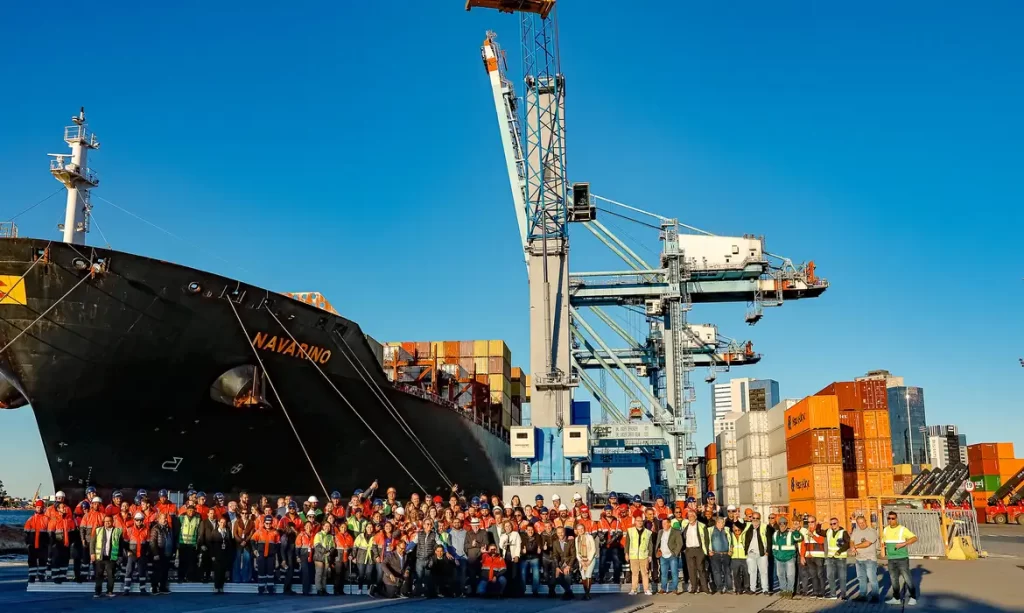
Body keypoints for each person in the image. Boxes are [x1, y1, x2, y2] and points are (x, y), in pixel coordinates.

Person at [881, 511, 919, 606]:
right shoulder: (885, 530)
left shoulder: (902, 529)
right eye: (889, 518)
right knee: (894, 579)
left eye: (893, 518)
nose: (890, 520)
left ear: (896, 519)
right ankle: (896, 598)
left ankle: (913, 597)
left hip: (902, 559)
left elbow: (914, 538)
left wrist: (904, 543)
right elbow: (884, 542)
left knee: (907, 578)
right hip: (891, 559)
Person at [850, 513, 880, 603]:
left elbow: (867, 543)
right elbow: (851, 540)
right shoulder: (856, 531)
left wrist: (855, 547)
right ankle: (862, 595)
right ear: (857, 523)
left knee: (872, 578)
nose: (862, 524)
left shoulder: (872, 531)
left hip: (869, 559)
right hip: (859, 559)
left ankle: (875, 596)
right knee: (861, 578)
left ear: (866, 521)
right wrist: (852, 547)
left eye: (863, 522)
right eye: (859, 523)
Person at [48, 501, 78, 583]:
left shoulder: (69, 520)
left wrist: (71, 542)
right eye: (63, 507)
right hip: (57, 544)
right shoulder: (54, 520)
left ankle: (63, 576)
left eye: (64, 507)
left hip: (66, 544)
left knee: (65, 560)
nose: (65, 508)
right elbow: (50, 534)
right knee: (56, 560)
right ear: (58, 509)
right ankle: (55, 577)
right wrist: (53, 544)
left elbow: (72, 532)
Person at [681, 510, 710, 594]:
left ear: (695, 517)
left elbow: (706, 539)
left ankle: (705, 588)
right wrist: (684, 549)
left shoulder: (702, 526)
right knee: (691, 570)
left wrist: (706, 551)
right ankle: (694, 588)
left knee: (701, 569)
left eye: (692, 516)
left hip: (699, 550)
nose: (690, 518)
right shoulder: (685, 526)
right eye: (689, 516)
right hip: (689, 550)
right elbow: (682, 537)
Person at [92, 514, 120, 598]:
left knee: (111, 576)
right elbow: (92, 543)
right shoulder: (98, 530)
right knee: (98, 575)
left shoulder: (117, 531)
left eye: (109, 521)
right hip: (100, 557)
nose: (107, 523)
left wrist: (120, 556)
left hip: (111, 557)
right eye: (106, 521)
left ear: (112, 521)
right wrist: (92, 553)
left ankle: (109, 591)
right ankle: (97, 592)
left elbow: (121, 544)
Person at [771, 516, 801, 598]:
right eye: (780, 523)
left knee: (790, 576)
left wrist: (795, 531)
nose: (782, 525)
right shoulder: (775, 534)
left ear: (786, 524)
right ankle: (783, 591)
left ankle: (789, 592)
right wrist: (775, 555)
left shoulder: (791, 533)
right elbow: (773, 546)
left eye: (784, 523)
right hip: (779, 559)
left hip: (789, 558)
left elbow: (799, 538)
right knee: (780, 575)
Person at [743, 511, 772, 595]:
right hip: (751, 554)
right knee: (752, 572)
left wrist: (768, 551)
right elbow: (737, 523)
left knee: (763, 572)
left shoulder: (765, 527)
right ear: (751, 518)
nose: (755, 520)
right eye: (753, 518)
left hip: (762, 553)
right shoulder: (747, 526)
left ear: (760, 519)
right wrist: (744, 518)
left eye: (757, 518)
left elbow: (769, 540)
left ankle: (765, 589)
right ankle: (752, 589)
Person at [252, 514, 281, 594]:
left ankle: (270, 588)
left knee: (270, 572)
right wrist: (254, 550)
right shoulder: (259, 531)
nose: (268, 525)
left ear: (272, 523)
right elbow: (252, 540)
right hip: (261, 554)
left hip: (271, 555)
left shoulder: (275, 532)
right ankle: (261, 588)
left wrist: (275, 553)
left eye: (270, 523)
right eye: (267, 523)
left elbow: (278, 543)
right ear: (264, 523)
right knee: (261, 572)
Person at [123, 512, 151, 594]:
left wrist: (147, 553)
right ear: (134, 520)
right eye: (137, 520)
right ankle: (126, 589)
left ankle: (142, 590)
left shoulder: (146, 530)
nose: (139, 521)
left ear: (143, 520)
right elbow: (124, 544)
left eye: (141, 520)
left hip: (142, 554)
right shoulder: (129, 530)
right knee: (129, 571)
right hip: (132, 554)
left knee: (142, 572)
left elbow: (148, 543)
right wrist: (127, 552)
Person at [799, 515, 826, 598]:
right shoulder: (806, 532)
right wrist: (802, 556)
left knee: (820, 575)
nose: (810, 524)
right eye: (808, 522)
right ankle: (815, 592)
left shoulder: (819, 531)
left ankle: (822, 592)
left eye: (812, 522)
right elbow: (803, 545)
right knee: (813, 575)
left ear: (815, 522)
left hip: (819, 556)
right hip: (809, 557)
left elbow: (822, 541)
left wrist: (813, 536)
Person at [24, 499, 51, 583]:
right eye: (38, 507)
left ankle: (41, 576)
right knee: (32, 561)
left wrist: (48, 543)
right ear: (35, 508)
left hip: (43, 544)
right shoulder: (30, 519)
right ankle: (31, 577)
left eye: (41, 507)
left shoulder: (47, 519)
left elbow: (50, 532)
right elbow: (26, 533)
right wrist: (28, 543)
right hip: (32, 544)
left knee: (43, 560)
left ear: (43, 508)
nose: (39, 509)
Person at [625, 515, 653, 596]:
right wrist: (626, 553)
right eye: (638, 521)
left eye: (641, 521)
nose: (640, 522)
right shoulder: (630, 531)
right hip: (633, 555)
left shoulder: (648, 532)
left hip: (644, 555)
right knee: (634, 573)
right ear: (635, 522)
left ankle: (646, 589)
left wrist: (650, 555)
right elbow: (627, 543)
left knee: (645, 573)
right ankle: (633, 589)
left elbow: (650, 545)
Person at [824, 516, 850, 600]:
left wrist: (840, 551)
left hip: (840, 557)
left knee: (842, 577)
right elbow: (819, 532)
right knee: (830, 576)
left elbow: (848, 543)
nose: (833, 525)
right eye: (831, 524)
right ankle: (833, 595)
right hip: (830, 557)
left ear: (838, 523)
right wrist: (819, 524)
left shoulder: (843, 532)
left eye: (834, 523)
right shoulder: (828, 531)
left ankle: (843, 595)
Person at [597, 505, 624, 584]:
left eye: (610, 511)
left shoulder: (617, 521)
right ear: (605, 512)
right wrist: (602, 537)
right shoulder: (600, 521)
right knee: (602, 563)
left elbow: (620, 532)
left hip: (614, 545)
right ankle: (601, 579)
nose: (608, 512)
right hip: (604, 546)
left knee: (617, 562)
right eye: (607, 511)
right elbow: (599, 532)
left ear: (612, 512)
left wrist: (613, 539)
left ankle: (616, 580)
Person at [655, 518, 682, 595]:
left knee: (674, 573)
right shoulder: (660, 532)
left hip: (672, 555)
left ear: (669, 523)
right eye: (662, 523)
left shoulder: (676, 532)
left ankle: (675, 589)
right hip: (663, 556)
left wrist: (675, 553)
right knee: (663, 573)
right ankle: (663, 588)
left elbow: (680, 543)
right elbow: (658, 542)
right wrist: (657, 550)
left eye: (665, 523)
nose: (663, 525)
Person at [148, 512, 172, 594]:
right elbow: (152, 542)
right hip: (159, 553)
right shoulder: (155, 528)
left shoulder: (168, 528)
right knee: (157, 571)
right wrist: (155, 554)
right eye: (163, 518)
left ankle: (163, 587)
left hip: (166, 553)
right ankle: (154, 587)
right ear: (159, 519)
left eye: (166, 518)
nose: (165, 520)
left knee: (165, 571)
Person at [208, 516, 233, 593]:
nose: (223, 524)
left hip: (225, 555)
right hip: (216, 555)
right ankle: (216, 587)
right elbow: (211, 545)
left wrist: (229, 555)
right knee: (217, 571)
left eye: (224, 522)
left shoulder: (227, 531)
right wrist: (212, 555)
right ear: (218, 523)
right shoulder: (214, 532)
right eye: (221, 522)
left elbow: (230, 544)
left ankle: (221, 587)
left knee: (223, 571)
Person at [549, 526, 576, 600]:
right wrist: (557, 567)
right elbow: (555, 555)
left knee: (567, 575)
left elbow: (573, 555)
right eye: (558, 533)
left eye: (562, 532)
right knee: (557, 577)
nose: (560, 534)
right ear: (556, 533)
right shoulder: (555, 543)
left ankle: (567, 593)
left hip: (570, 562)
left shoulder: (570, 541)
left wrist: (568, 566)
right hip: (561, 563)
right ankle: (569, 592)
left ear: (565, 532)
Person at [231, 505, 255, 583]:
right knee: (237, 561)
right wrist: (240, 541)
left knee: (247, 561)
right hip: (238, 543)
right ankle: (236, 578)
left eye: (246, 513)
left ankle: (246, 578)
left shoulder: (251, 522)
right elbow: (235, 533)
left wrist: (245, 541)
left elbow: (251, 533)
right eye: (243, 513)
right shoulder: (237, 522)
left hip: (247, 544)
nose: (244, 514)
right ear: (240, 514)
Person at [574, 523, 597, 600]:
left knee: (588, 575)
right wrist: (581, 561)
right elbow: (577, 552)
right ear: (577, 530)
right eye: (579, 529)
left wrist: (589, 560)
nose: (580, 530)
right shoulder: (577, 539)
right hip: (582, 560)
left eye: (582, 529)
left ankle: (587, 594)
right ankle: (585, 593)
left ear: (584, 529)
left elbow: (593, 549)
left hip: (590, 559)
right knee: (583, 577)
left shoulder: (589, 537)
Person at [708, 516, 732, 593]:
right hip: (715, 554)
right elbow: (706, 541)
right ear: (717, 523)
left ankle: (729, 588)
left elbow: (731, 541)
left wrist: (730, 550)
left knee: (727, 571)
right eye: (721, 523)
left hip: (726, 554)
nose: (723, 524)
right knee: (717, 572)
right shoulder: (710, 530)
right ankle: (720, 588)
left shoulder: (727, 530)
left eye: (723, 523)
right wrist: (709, 551)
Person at [312, 521, 335, 595]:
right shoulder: (318, 534)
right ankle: (319, 589)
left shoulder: (331, 536)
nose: (327, 527)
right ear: (323, 526)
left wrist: (330, 552)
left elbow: (333, 546)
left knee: (325, 574)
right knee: (319, 573)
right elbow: (317, 545)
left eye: (329, 526)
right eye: (326, 526)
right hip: (319, 556)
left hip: (327, 557)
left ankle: (324, 589)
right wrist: (325, 551)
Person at [728, 522, 748, 594]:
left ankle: (746, 588)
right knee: (736, 574)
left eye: (739, 530)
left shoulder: (744, 535)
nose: (737, 532)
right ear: (733, 529)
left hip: (744, 557)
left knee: (746, 574)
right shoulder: (730, 536)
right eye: (735, 530)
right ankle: (738, 588)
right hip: (734, 558)